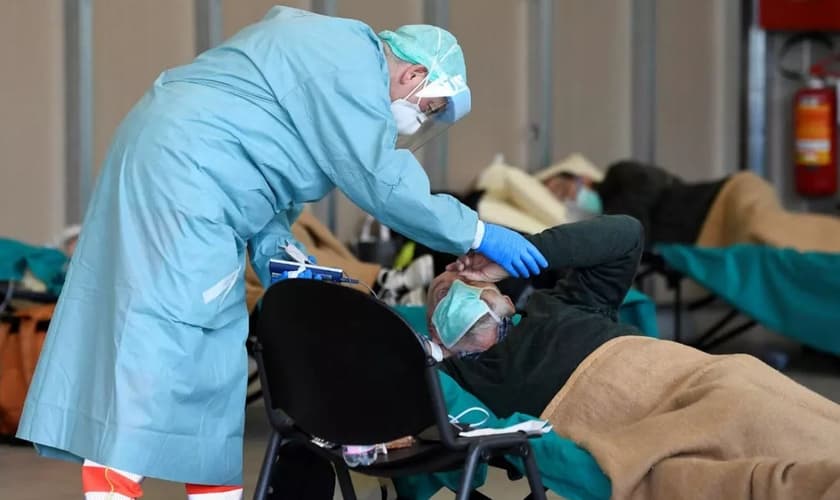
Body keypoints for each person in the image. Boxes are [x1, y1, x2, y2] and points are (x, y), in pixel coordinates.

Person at [16, 7, 548, 500]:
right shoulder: (349, 68)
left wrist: (278, 250)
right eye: (428, 108)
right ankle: (114, 481)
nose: (417, 120)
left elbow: (266, 171)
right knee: (167, 334)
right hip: (184, 179)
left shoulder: (330, 60)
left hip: (188, 172)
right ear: (412, 76)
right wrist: (477, 233)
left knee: (215, 348)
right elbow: (382, 181)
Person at [422, 215, 840, 499]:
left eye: (461, 276)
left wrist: (523, 252)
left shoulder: (564, 304)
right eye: (439, 292)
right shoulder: (458, 379)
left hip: (709, 378)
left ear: (504, 293)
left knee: (804, 430)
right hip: (643, 422)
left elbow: (625, 234)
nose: (452, 283)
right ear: (436, 335)